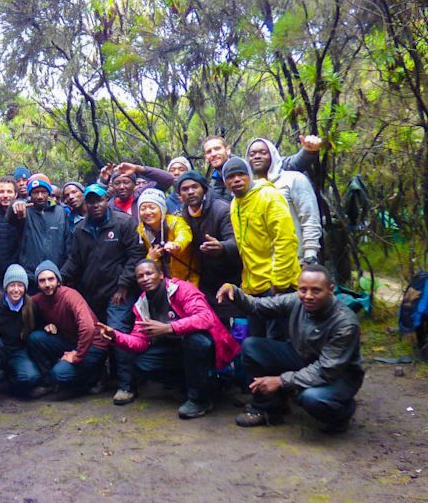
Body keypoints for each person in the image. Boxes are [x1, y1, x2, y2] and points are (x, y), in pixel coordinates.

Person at [217, 265, 364, 432]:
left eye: (316, 291)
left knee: (311, 398)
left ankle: (343, 412)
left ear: (331, 290)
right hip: (302, 357)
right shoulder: (296, 300)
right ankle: (268, 409)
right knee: (252, 346)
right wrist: (235, 293)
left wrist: (281, 381)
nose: (308, 296)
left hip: (339, 375)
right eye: (303, 289)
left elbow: (325, 370)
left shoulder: (345, 324)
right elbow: (259, 306)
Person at [99, 260, 240, 419]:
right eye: (140, 276)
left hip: (210, 346)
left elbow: (205, 318)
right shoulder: (142, 305)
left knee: (195, 341)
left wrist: (169, 327)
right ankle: (193, 386)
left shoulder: (181, 289)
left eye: (149, 273)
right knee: (143, 362)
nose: (145, 278)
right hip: (177, 349)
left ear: (160, 275)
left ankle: (200, 400)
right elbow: (140, 341)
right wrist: (115, 336)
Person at [61, 183, 146, 405]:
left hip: (118, 292)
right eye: (90, 201)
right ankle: (100, 378)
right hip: (92, 293)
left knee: (117, 333)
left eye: (98, 200)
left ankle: (127, 385)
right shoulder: (80, 229)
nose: (95, 205)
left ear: (105, 200)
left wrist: (124, 285)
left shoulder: (123, 222)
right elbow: (75, 260)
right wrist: (57, 278)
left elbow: (136, 254)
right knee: (95, 336)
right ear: (86, 204)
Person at [222, 157, 300, 338]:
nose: (236, 180)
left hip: (276, 286)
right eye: (231, 177)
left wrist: (278, 283)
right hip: (253, 288)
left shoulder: (269, 196)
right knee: (256, 344)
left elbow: (285, 240)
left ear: (249, 175)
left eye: (241, 174)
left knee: (276, 343)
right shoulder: (235, 204)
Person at [23, 261, 110, 395]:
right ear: (38, 284)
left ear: (58, 281)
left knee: (60, 374)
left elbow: (88, 327)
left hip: (94, 344)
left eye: (51, 279)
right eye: (42, 281)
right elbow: (18, 301)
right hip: (71, 340)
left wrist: (77, 356)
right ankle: (49, 382)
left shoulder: (70, 296)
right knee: (35, 338)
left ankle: (96, 375)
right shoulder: (39, 299)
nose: (47, 284)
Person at [0, 264, 43, 411]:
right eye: (12, 285)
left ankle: (10, 380)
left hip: (17, 351)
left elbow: (39, 325)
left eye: (20, 285)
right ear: (6, 287)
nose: (16, 289)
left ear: (25, 287)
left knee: (31, 377)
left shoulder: (30, 305)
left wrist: (49, 326)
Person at [176, 171, 242, 320]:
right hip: (204, 278)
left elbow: (237, 241)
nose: (191, 192)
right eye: (185, 189)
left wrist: (222, 247)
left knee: (234, 323)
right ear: (180, 195)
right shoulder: (184, 213)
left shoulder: (221, 209)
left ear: (204, 189)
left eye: (195, 187)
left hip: (230, 277)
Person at [246, 138, 322, 263]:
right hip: (263, 268)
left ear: (273, 155)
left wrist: (310, 255)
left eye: (263, 152)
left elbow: (309, 218)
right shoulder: (249, 191)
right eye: (252, 154)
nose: (257, 157)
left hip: (297, 261)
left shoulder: (293, 179)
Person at [203, 135, 322, 203]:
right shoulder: (214, 183)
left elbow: (284, 164)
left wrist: (308, 151)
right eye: (209, 152)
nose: (213, 154)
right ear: (206, 158)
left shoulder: (248, 165)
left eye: (217, 149)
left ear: (227, 150)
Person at [7, 175, 69, 292]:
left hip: (54, 276)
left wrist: (62, 273)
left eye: (43, 192)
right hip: (30, 276)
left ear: (49, 193)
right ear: (30, 194)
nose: (40, 196)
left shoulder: (60, 212)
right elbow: (11, 217)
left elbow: (68, 244)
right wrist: (15, 205)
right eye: (35, 192)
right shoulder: (24, 211)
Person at [136, 188, 195, 283]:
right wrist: (151, 257)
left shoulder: (175, 221)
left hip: (187, 277)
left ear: (162, 209)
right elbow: (147, 261)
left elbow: (184, 233)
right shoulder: (141, 230)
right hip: (163, 281)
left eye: (152, 207)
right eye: (143, 209)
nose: (147, 212)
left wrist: (177, 244)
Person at [98, 162, 175, 221]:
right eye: (117, 183)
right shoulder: (109, 207)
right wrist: (103, 183)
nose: (122, 187)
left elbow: (168, 179)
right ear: (112, 186)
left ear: (134, 184)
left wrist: (138, 168)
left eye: (126, 182)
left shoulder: (145, 194)